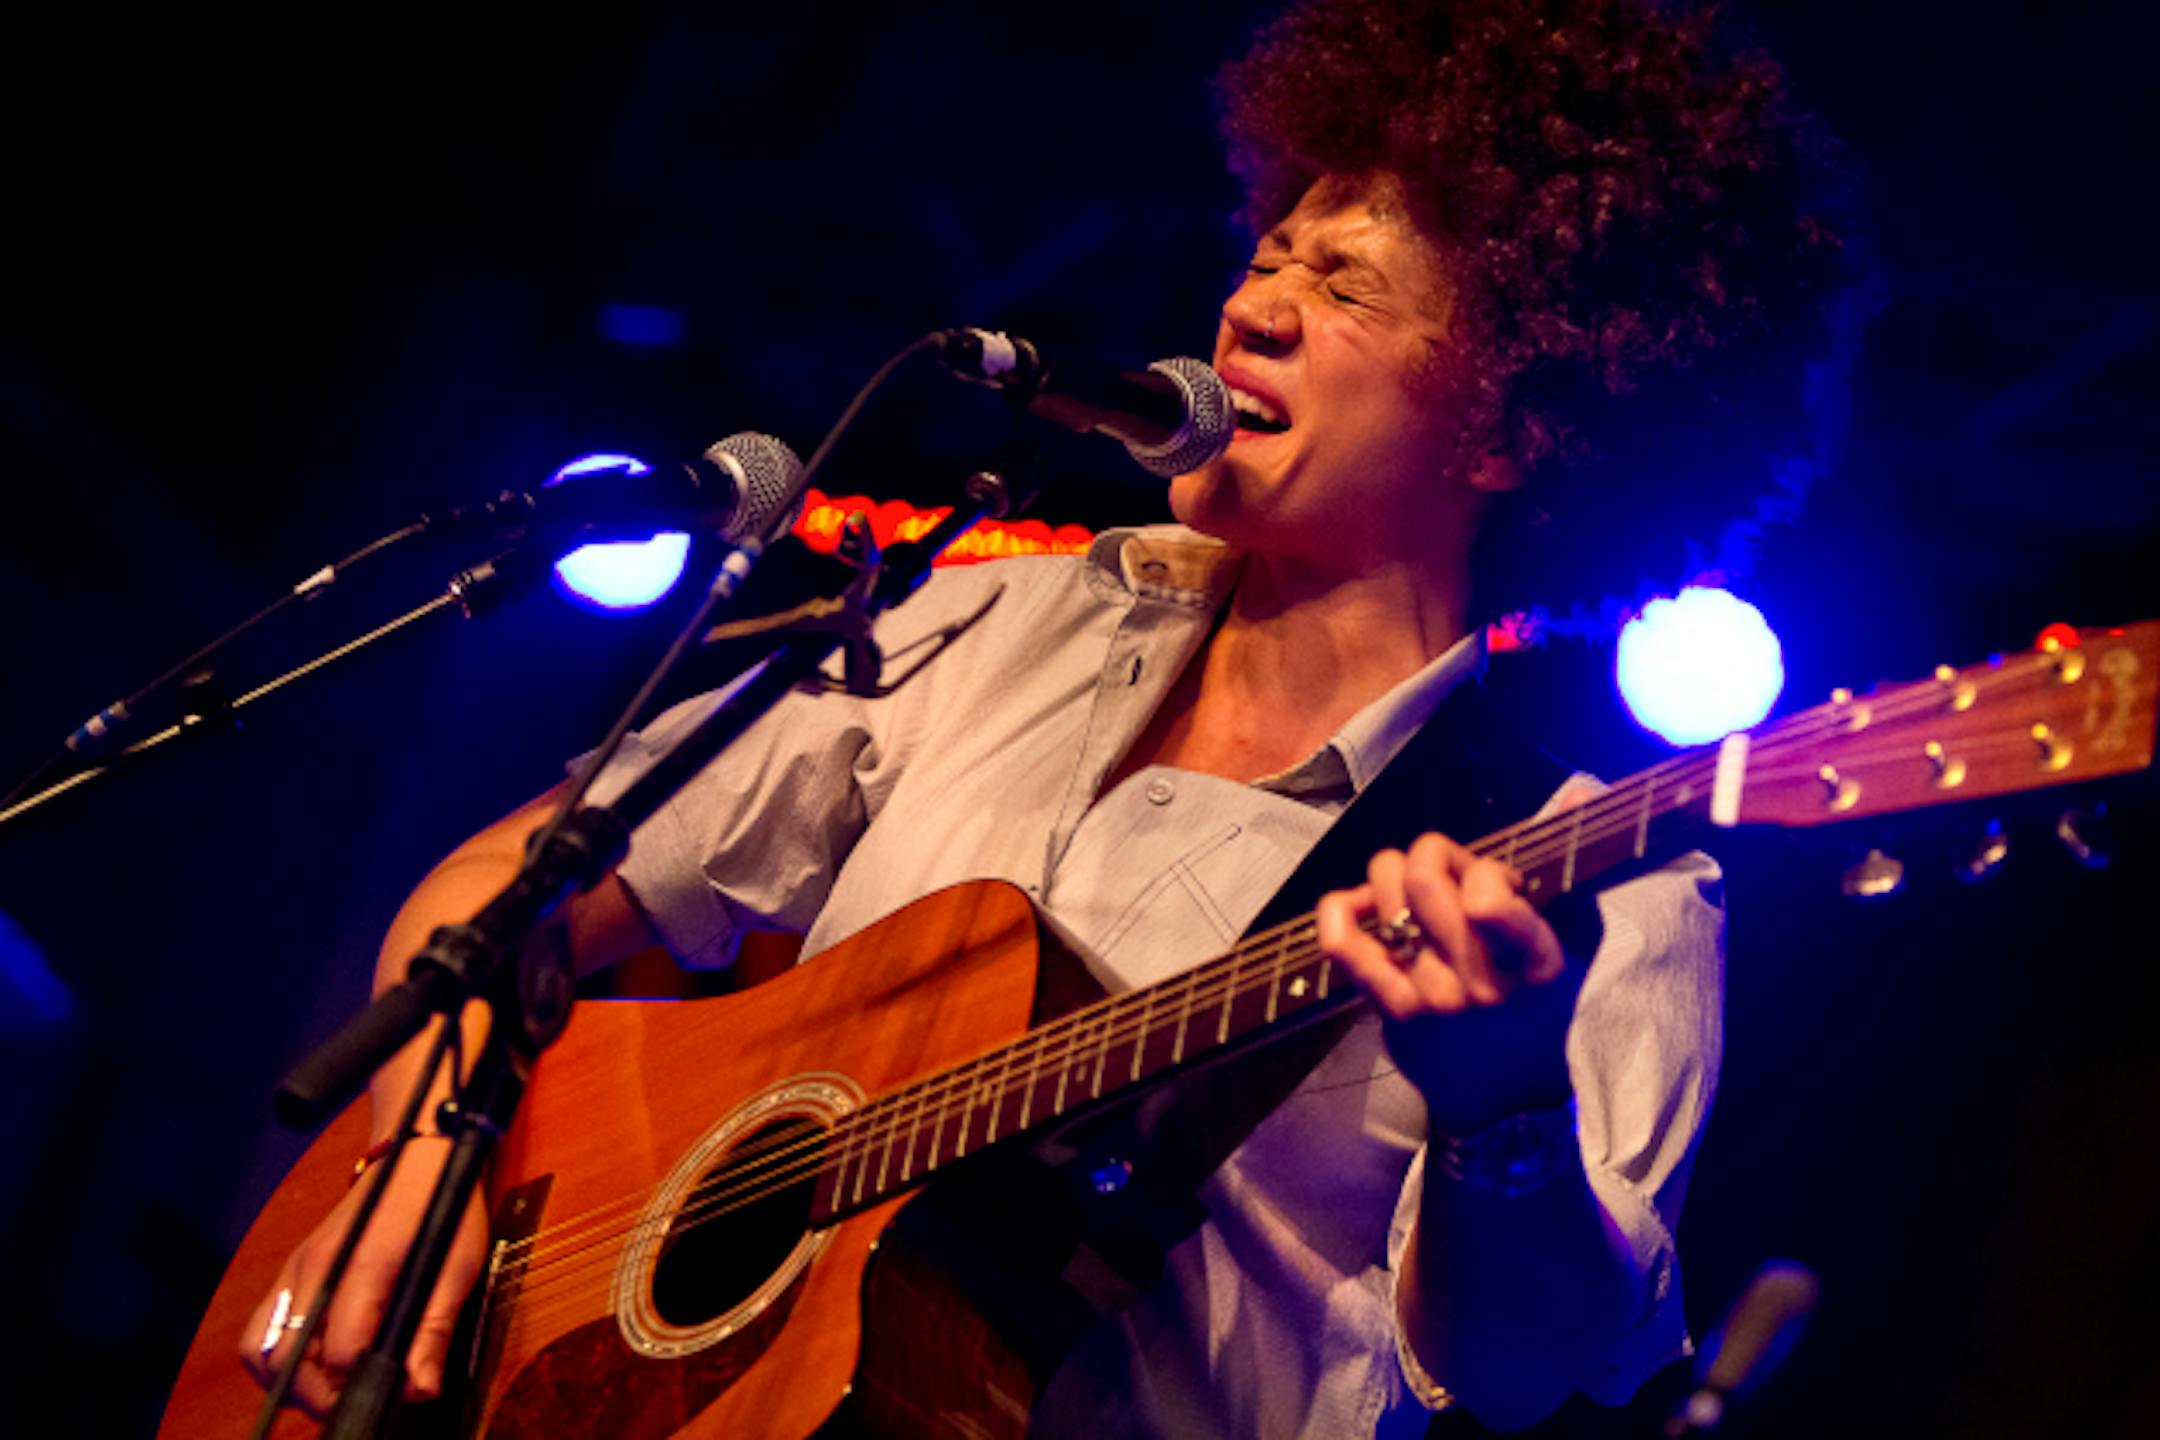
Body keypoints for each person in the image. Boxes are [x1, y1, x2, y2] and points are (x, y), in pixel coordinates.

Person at [240, 0, 1859, 1432]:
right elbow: (497, 899)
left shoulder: (1596, 873)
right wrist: (417, 1184)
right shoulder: (986, 618)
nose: (1254, 310)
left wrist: (1506, 1096)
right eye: (1269, 256)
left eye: (1346, 289)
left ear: (1513, 425)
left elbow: (1528, 1368)